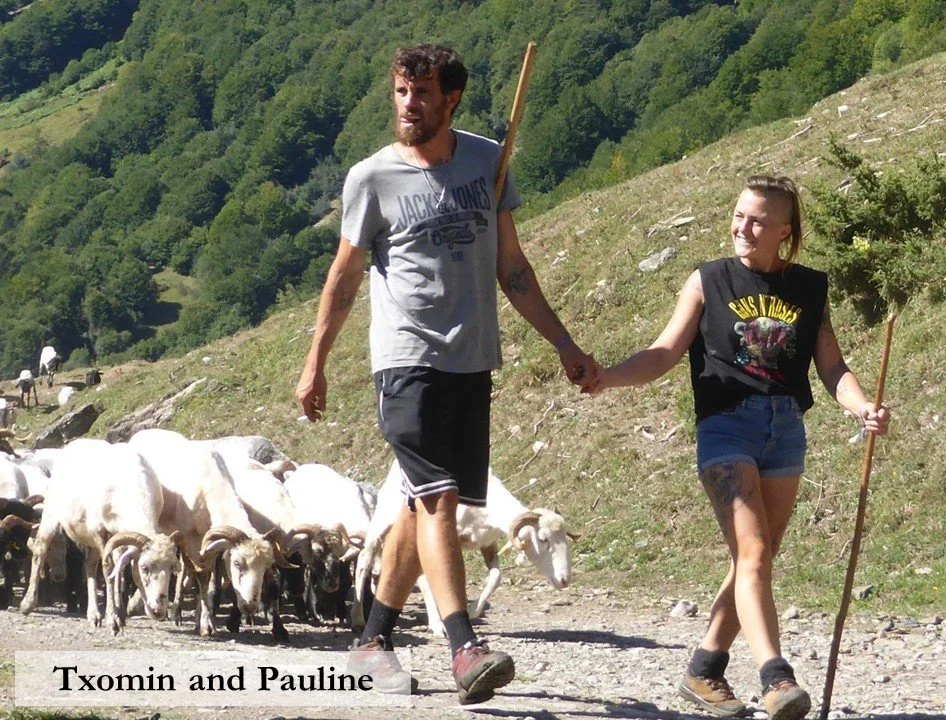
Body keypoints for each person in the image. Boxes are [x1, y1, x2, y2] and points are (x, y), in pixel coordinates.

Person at [295, 44, 598, 705]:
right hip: (406, 360)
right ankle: (465, 647)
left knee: (423, 504)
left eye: (423, 94)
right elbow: (344, 277)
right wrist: (315, 362)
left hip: (471, 358)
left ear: (451, 99)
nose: (409, 104)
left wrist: (564, 342)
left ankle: (372, 641)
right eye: (402, 91)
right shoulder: (371, 179)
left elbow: (512, 267)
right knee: (436, 498)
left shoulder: (489, 162)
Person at [585, 175, 890, 720]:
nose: (743, 228)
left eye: (757, 221)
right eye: (739, 215)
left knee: (759, 556)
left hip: (785, 428)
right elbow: (663, 353)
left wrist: (863, 405)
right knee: (752, 553)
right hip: (726, 427)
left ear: (784, 232)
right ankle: (777, 678)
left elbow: (832, 366)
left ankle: (704, 667)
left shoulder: (809, 288)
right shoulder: (707, 281)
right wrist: (609, 376)